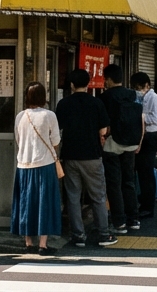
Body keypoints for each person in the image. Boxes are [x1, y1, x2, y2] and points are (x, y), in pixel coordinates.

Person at [55, 68, 115, 247]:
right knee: (98, 195)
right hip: (92, 155)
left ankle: (78, 236)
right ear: (88, 84)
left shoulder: (64, 104)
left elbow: (58, 130)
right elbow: (103, 130)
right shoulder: (96, 103)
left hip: (70, 155)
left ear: (72, 85)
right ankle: (103, 234)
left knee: (73, 197)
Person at [11, 81, 61, 256]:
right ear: (43, 97)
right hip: (44, 165)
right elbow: (56, 141)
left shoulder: (20, 116)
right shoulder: (49, 115)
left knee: (26, 203)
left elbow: (18, 140)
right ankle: (43, 245)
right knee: (44, 203)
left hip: (24, 165)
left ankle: (28, 242)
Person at [100, 64, 142, 233]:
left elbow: (103, 123)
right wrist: (139, 141)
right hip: (131, 143)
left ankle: (119, 222)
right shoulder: (133, 95)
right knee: (129, 181)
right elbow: (141, 119)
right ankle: (134, 219)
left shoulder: (105, 97)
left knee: (114, 183)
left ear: (109, 79)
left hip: (112, 143)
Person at [131, 72, 157, 218]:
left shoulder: (154, 99)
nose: (137, 90)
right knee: (140, 171)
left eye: (138, 87)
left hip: (149, 137)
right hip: (140, 136)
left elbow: (155, 119)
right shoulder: (139, 98)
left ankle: (148, 207)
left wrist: (140, 118)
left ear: (147, 85)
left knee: (146, 172)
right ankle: (143, 200)